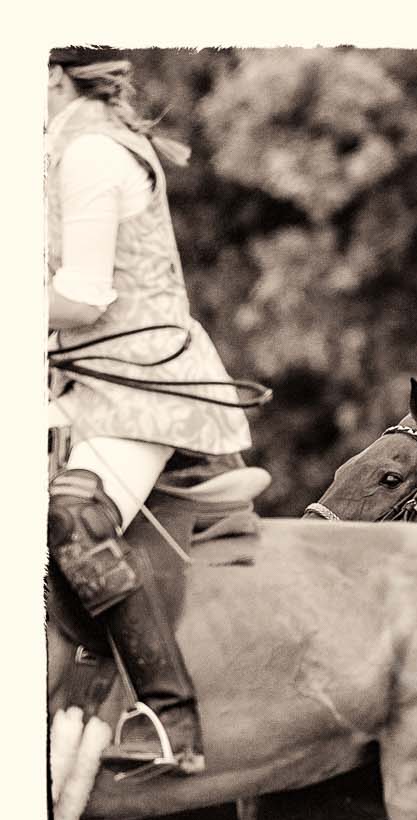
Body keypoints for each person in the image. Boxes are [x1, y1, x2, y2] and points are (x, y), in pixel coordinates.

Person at [46, 47, 261, 775]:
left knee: (74, 516)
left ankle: (170, 716)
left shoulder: (92, 155)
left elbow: (82, 299)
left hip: (141, 391)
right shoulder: (61, 147)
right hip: (82, 386)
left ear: (49, 79)